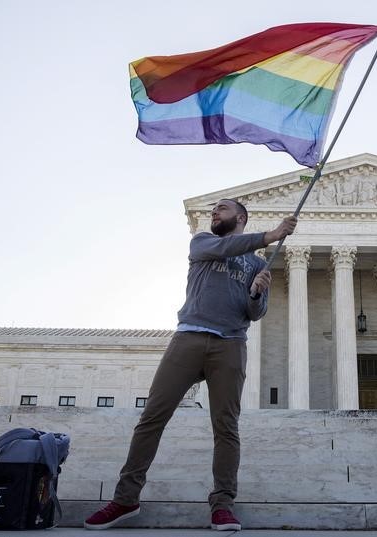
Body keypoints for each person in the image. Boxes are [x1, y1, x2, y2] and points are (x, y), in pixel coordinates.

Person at [84, 199, 297, 531]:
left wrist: (256, 293)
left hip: (230, 344)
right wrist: (269, 235)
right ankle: (125, 499)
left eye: (222, 209)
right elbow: (230, 246)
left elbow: (254, 314)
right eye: (214, 210)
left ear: (240, 217)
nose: (214, 213)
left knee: (226, 427)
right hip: (188, 339)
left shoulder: (257, 266)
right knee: (152, 418)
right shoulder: (203, 243)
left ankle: (222, 504)